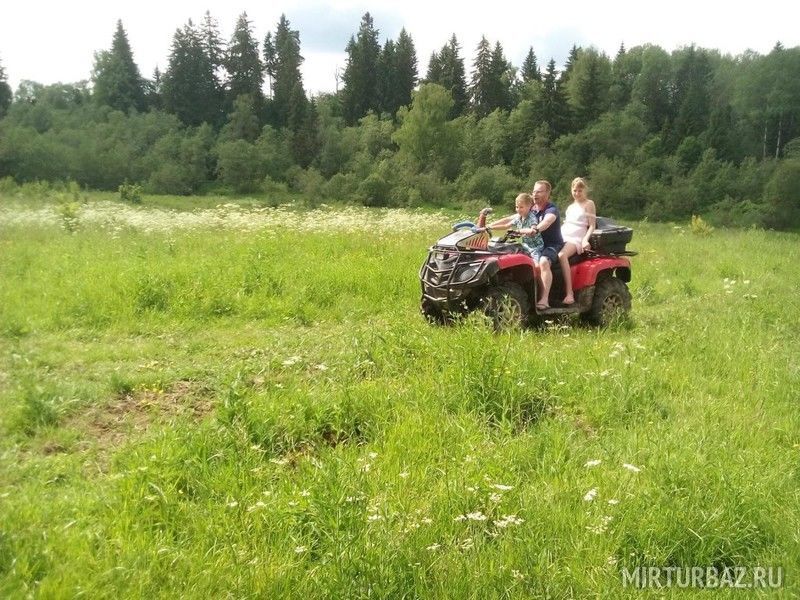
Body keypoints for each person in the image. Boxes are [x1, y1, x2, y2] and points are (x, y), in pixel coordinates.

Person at [558, 177, 597, 305]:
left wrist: (585, 240)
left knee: (562, 255)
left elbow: (592, 225)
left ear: (585, 190)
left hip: (576, 238)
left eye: (580, 190)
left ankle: (569, 293)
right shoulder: (570, 207)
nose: (577, 193)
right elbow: (566, 224)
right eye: (574, 190)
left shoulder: (589, 204)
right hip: (563, 234)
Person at [529, 180, 564, 310]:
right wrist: (489, 225)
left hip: (552, 245)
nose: (535, 194)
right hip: (536, 245)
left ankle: (545, 299)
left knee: (543, 262)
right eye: (534, 191)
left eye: (539, 191)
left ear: (547, 193)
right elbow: (514, 218)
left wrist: (536, 229)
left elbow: (547, 221)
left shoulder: (551, 209)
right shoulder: (531, 209)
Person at [483, 193, 544, 260]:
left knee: (535, 262)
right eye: (517, 207)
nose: (518, 209)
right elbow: (506, 226)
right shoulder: (518, 218)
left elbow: (532, 230)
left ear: (529, 206)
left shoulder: (532, 218)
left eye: (521, 207)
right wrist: (490, 227)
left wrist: (518, 231)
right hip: (525, 245)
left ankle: (537, 265)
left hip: (535, 247)